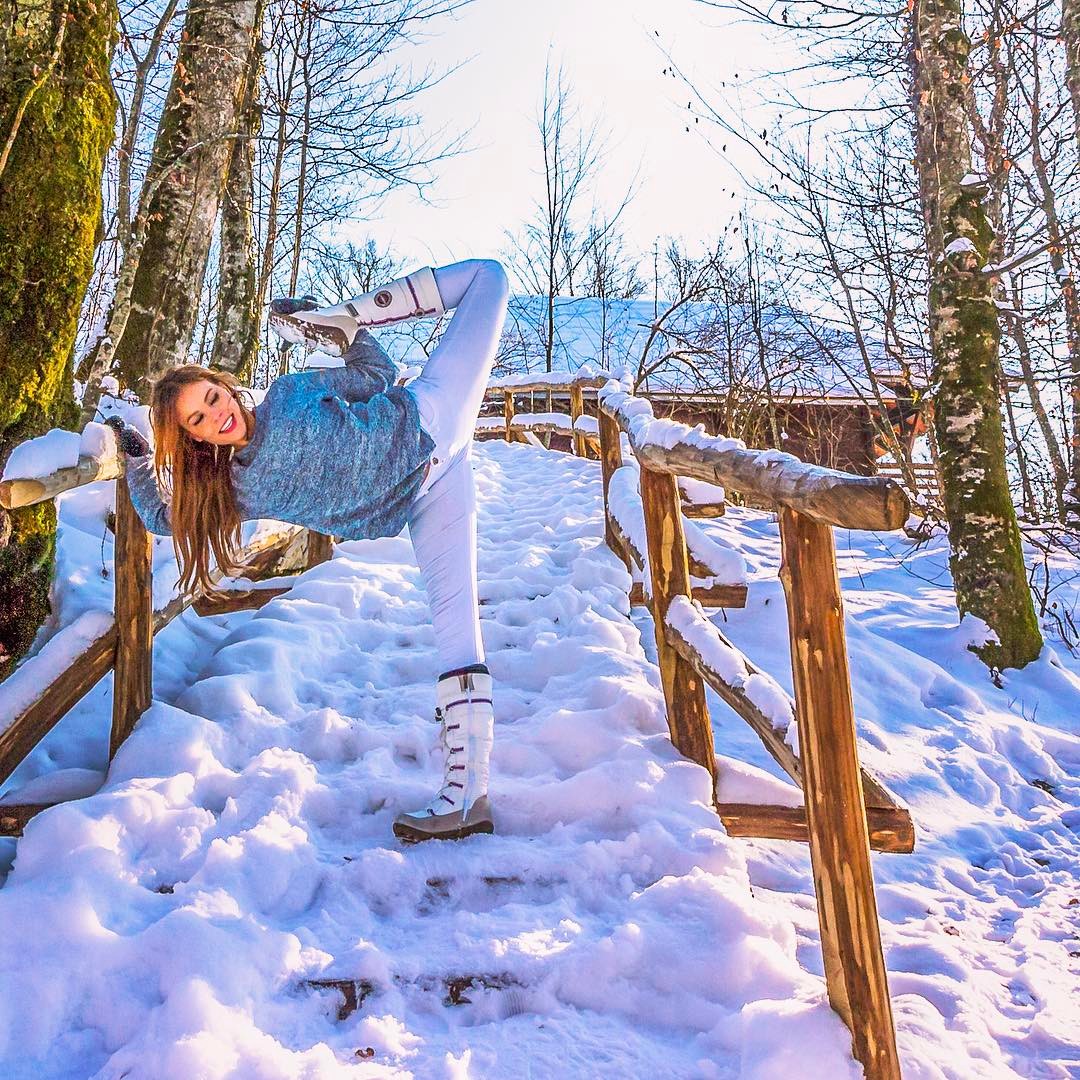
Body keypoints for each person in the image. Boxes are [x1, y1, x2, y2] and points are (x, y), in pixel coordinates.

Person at [110, 259, 510, 843]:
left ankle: (344, 314)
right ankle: (467, 795)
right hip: (427, 494)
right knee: (458, 633)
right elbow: (159, 517)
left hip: (429, 419)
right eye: (198, 418)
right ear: (192, 437)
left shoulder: (293, 393)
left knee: (490, 278)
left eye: (213, 396)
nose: (217, 414)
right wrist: (138, 457)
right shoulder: (234, 490)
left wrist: (347, 332)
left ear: (225, 386)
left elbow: (377, 374)